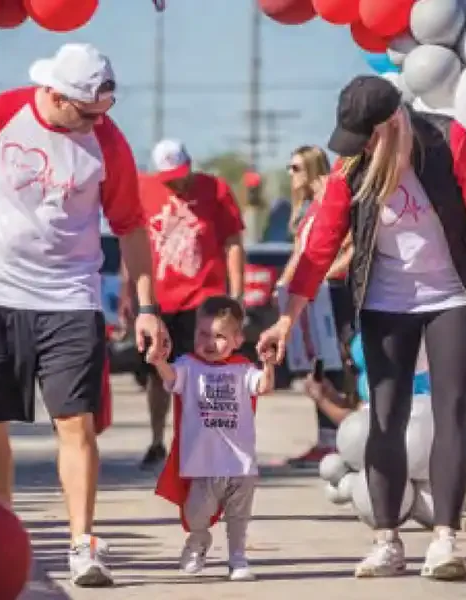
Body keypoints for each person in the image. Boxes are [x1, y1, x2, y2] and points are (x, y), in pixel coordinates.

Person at [0, 43, 169, 588]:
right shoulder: (0, 115)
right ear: (56, 95)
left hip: (70, 296)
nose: (98, 122)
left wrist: (147, 307)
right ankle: (1, 533)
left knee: (76, 421)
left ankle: (83, 544)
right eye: (88, 112)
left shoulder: (107, 141)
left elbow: (131, 227)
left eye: (104, 111)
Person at [257, 75, 466, 581]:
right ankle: (386, 542)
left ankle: (445, 540)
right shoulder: (351, 165)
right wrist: (287, 318)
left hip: (454, 295)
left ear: (392, 123)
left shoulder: (448, 141)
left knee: (451, 411)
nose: (356, 148)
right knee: (385, 416)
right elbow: (320, 245)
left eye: (365, 137)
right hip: (385, 300)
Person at [120, 139, 246, 470]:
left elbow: (233, 243)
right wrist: (127, 294)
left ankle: (199, 442)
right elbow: (131, 244)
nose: (177, 184)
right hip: (157, 301)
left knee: (201, 372)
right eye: (169, 179)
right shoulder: (141, 189)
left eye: (180, 175)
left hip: (203, 296)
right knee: (158, 373)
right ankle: (157, 440)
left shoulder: (215, 190)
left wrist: (236, 293)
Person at [152, 296, 276, 581]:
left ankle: (238, 559)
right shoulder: (188, 365)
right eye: (203, 334)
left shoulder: (243, 369)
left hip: (240, 462)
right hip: (203, 462)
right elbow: (171, 379)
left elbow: (264, 387)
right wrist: (159, 361)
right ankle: (198, 539)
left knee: (238, 517)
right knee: (196, 513)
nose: (209, 342)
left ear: (237, 339)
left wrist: (268, 365)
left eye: (219, 336)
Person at [276, 145, 358, 467]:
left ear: (312, 168)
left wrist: (326, 273)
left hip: (335, 292)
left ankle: (343, 435)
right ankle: (326, 438)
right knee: (316, 362)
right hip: (314, 294)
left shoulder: (332, 199)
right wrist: (284, 285)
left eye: (296, 167)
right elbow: (300, 253)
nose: (290, 173)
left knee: (338, 362)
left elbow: (351, 245)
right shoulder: (307, 209)